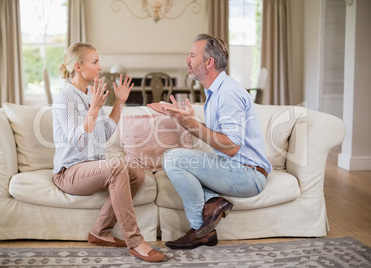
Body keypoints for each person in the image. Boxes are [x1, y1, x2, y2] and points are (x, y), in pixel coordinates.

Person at [148, 34, 272, 250]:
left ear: (209, 62)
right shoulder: (216, 92)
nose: (187, 59)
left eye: (192, 55)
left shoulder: (228, 94)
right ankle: (214, 202)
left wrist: (189, 123)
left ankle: (200, 230)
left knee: (173, 158)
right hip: (238, 169)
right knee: (177, 164)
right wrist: (186, 118)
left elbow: (232, 146)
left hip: (248, 174)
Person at [52, 42, 166, 263]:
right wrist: (94, 110)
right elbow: (77, 142)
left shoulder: (88, 93)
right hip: (69, 172)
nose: (99, 67)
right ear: (77, 66)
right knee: (116, 166)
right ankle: (136, 242)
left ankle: (100, 231)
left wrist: (119, 102)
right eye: (94, 62)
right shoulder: (66, 97)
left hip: (91, 168)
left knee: (137, 174)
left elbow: (104, 134)